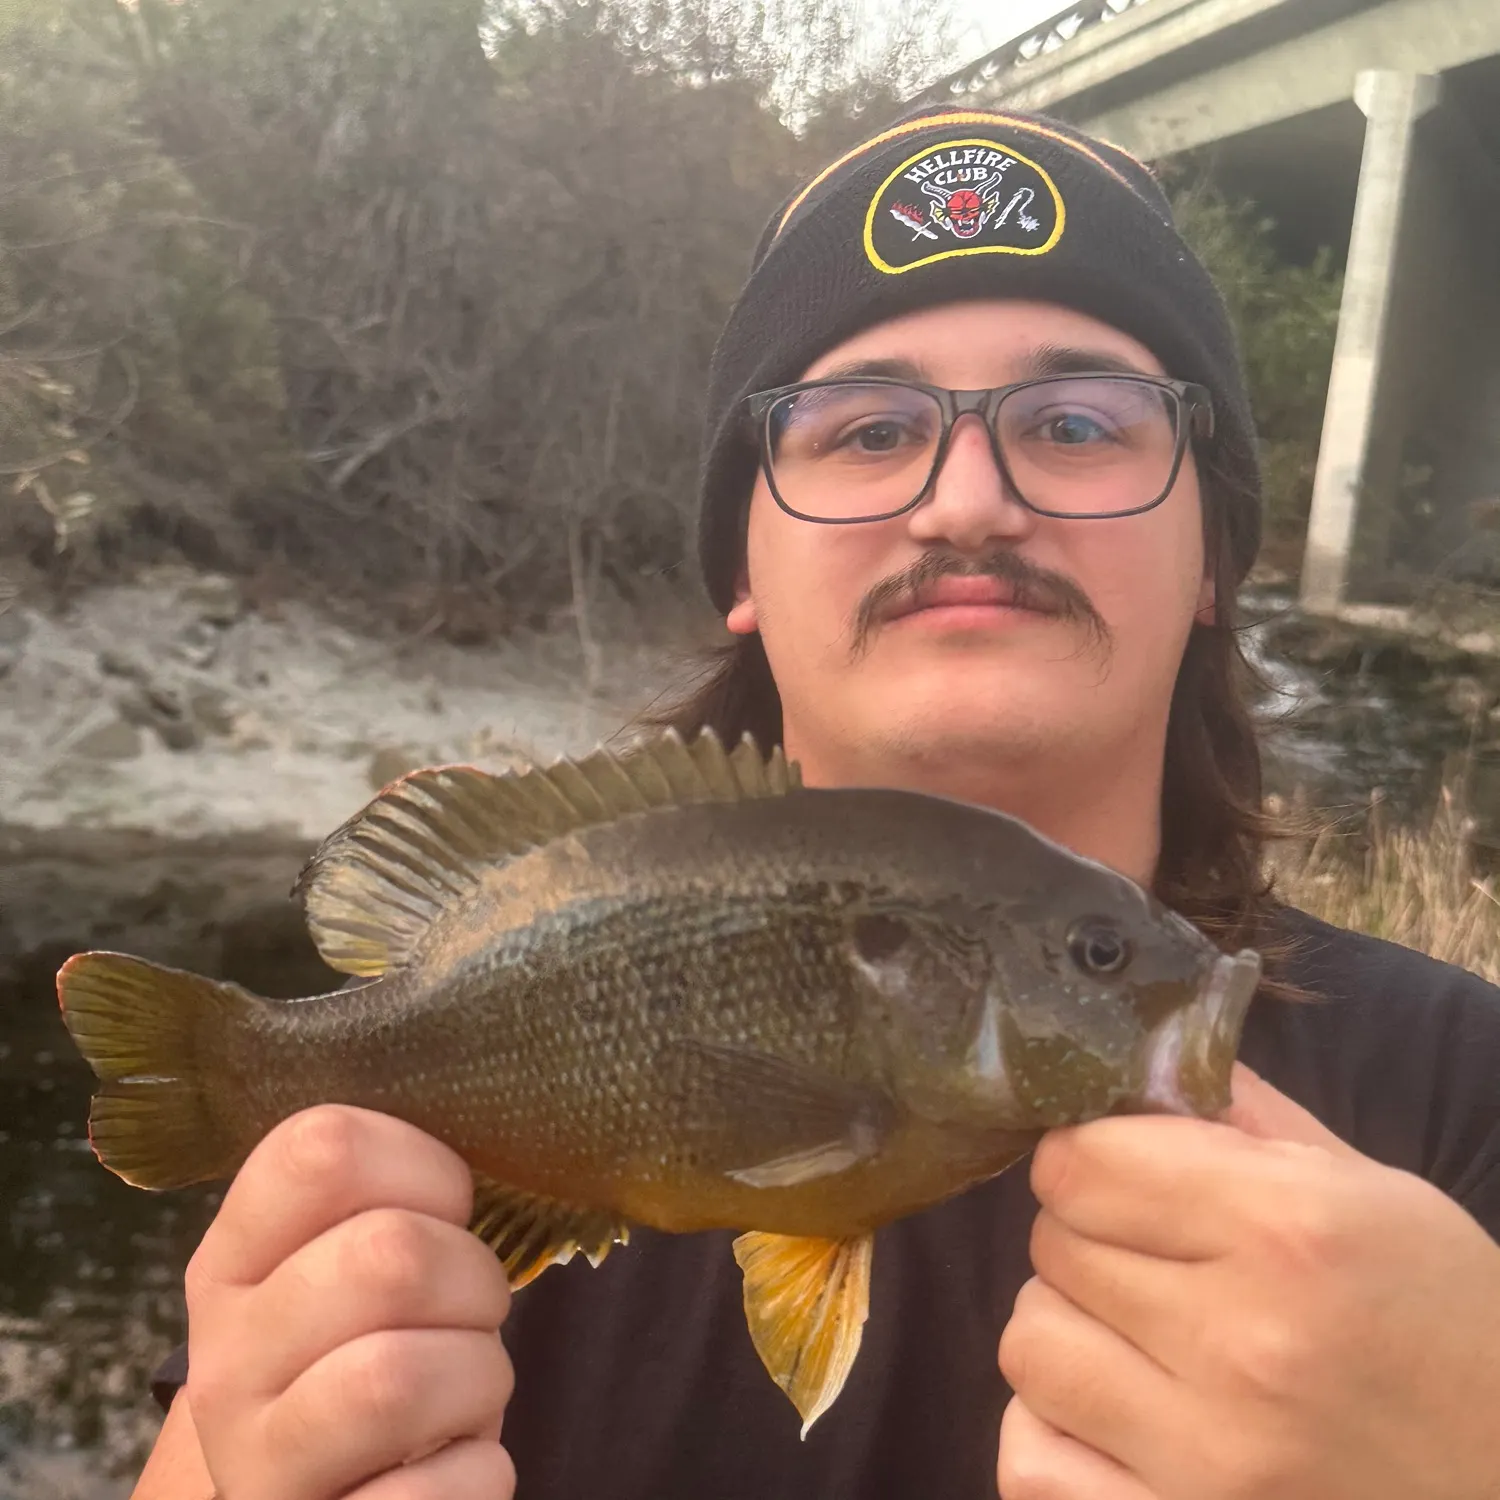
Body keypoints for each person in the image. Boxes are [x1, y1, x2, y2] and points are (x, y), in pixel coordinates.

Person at [133, 103, 1500, 1500]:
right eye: (867, 432)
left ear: (1215, 559)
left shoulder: (1469, 1098)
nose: (966, 501)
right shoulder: (413, 1196)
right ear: (744, 564)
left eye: (1078, 422)